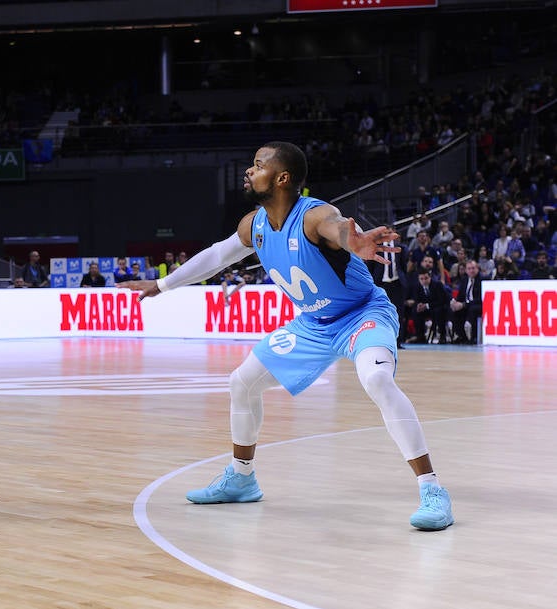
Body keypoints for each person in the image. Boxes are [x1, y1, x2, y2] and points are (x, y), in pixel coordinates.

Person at [120, 141, 453, 531]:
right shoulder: (254, 224)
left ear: (281, 178)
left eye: (257, 165)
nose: (249, 170)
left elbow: (338, 228)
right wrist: (162, 285)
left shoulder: (315, 216)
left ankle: (432, 490)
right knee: (241, 383)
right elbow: (216, 256)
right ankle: (242, 478)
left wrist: (354, 240)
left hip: (361, 314)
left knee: (376, 378)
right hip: (311, 325)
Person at [449, 260, 483, 344]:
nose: (471, 270)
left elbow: (480, 298)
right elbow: (461, 296)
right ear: (466, 270)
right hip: (466, 304)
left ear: (477, 269)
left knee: (473, 309)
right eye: (469, 269)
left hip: (478, 304)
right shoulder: (464, 280)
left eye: (473, 268)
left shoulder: (482, 280)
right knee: (453, 309)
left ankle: (474, 337)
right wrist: (455, 302)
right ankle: (461, 336)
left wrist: (464, 304)